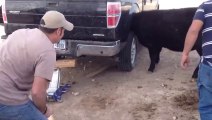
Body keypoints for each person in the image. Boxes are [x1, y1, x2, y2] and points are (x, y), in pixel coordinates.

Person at [0, 11, 73, 120]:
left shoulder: (20, 32)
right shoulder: (47, 51)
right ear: (58, 31)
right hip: (7, 100)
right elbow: (37, 93)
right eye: (63, 30)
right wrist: (44, 110)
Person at [181, 1, 212, 120]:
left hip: (209, 66)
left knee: (208, 107)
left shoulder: (205, 6)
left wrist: (185, 53)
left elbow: (193, 31)